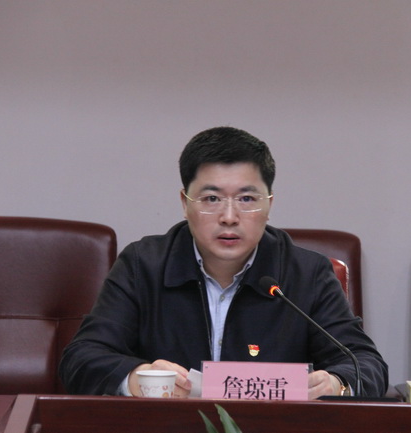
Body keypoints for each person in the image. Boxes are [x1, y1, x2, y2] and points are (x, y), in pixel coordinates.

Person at [59, 126, 388, 399]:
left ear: (269, 205)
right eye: (211, 198)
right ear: (185, 203)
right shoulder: (143, 265)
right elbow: (81, 359)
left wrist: (336, 384)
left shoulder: (307, 274)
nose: (229, 217)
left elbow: (366, 364)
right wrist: (135, 376)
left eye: (246, 199)